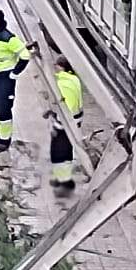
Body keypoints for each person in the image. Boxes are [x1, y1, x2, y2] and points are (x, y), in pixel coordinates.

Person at [0, 8, 33, 151]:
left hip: (4, 78)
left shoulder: (8, 38)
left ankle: (4, 139)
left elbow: (25, 56)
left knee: (3, 109)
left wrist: (14, 74)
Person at [51, 57, 83, 192]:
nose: (54, 67)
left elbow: (67, 105)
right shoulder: (74, 79)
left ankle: (62, 179)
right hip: (76, 119)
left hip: (65, 122)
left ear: (62, 67)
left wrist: (59, 120)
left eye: (57, 65)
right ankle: (64, 177)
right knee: (67, 149)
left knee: (59, 150)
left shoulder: (63, 83)